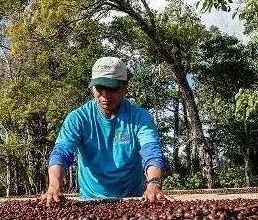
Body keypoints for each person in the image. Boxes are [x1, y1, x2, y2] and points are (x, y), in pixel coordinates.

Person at [41, 56, 173, 204]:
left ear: (125, 87)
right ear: (92, 88)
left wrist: (154, 183)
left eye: (112, 88)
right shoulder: (78, 118)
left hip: (133, 199)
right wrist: (54, 184)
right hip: (90, 201)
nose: (105, 95)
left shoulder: (140, 118)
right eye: (99, 87)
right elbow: (62, 152)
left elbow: (151, 151)